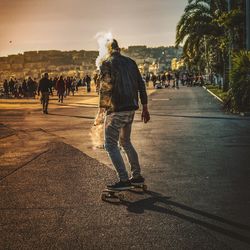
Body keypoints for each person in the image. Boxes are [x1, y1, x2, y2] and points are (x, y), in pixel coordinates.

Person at [96, 39, 150, 190]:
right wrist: (145, 107)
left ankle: (124, 180)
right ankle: (137, 176)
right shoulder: (131, 62)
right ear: (119, 48)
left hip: (116, 109)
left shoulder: (107, 63)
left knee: (110, 144)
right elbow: (141, 85)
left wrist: (101, 111)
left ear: (108, 49)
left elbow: (105, 88)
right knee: (125, 141)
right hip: (131, 108)